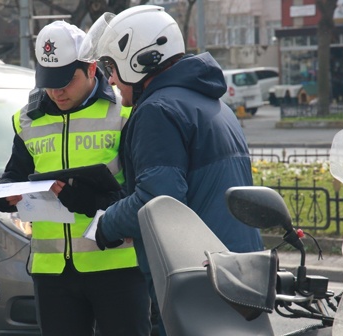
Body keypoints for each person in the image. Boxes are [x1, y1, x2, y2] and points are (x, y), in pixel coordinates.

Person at [80, 5, 265, 334]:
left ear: (139, 60)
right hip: (237, 275)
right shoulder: (210, 103)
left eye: (111, 66)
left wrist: (106, 224)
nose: (109, 79)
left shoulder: (157, 110)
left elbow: (159, 200)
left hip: (198, 279)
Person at [0, 21, 151, 336]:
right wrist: (4, 196)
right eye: (49, 81)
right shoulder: (27, 120)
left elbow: (141, 192)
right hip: (52, 274)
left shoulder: (124, 113)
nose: (56, 91)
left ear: (91, 70)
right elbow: (13, 177)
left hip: (115, 267)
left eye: (65, 80)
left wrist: (88, 201)